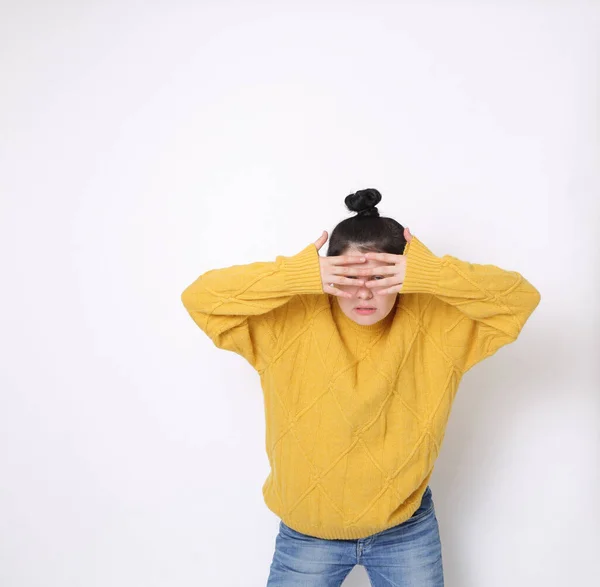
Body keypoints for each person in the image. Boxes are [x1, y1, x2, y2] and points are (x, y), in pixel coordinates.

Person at [180, 188, 541, 586]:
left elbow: (521, 298)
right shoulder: (285, 324)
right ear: (327, 274)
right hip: (307, 530)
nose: (364, 292)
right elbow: (200, 298)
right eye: (348, 278)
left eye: (381, 278)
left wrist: (428, 272)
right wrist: (300, 275)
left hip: (405, 527)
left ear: (403, 275)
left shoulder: (439, 326)